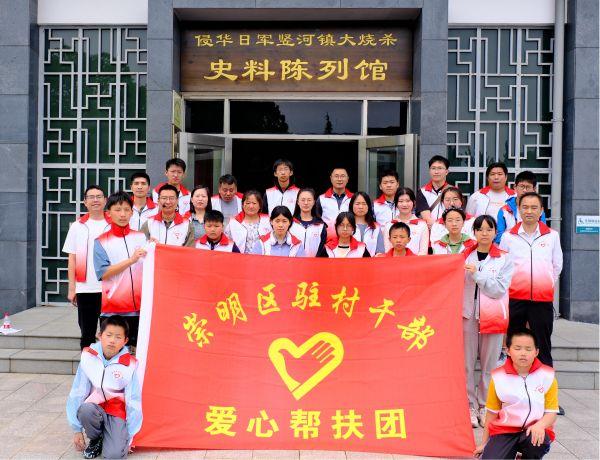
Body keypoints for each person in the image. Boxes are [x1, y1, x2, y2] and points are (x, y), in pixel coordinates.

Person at [499, 192, 563, 367]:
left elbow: (557, 265)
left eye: (534, 207)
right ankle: (513, 378)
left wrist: (546, 283)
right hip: (515, 298)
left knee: (542, 344)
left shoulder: (552, 236)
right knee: (514, 342)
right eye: (525, 207)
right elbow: (502, 266)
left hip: (542, 299)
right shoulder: (508, 237)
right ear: (519, 209)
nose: (529, 211)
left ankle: (545, 380)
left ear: (541, 210)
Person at [474, 328, 559, 459]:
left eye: (528, 349)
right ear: (508, 351)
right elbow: (491, 413)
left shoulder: (547, 376)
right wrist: (484, 444)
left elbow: (551, 412)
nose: (523, 353)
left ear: (536, 352)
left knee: (537, 442)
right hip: (504, 431)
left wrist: (540, 425)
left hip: (533, 430)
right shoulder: (498, 377)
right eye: (518, 348)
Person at [463, 215, 514, 428]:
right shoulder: (464, 255)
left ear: (495, 232)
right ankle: (469, 405)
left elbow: (499, 289)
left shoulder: (504, 258)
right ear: (474, 232)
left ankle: (485, 405)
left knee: (489, 366)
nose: (484, 233)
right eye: (480, 229)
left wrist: (478, 275)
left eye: (489, 229)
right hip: (467, 315)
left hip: (493, 316)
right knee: (466, 365)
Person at [66, 316, 142, 459]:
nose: (112, 340)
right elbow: (77, 392)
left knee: (114, 455)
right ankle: (96, 439)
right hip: (94, 408)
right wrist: (76, 429)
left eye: (118, 337)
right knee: (85, 410)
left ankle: (111, 436)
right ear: (100, 336)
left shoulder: (129, 365)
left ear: (125, 341)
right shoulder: (89, 357)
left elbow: (134, 400)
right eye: (109, 335)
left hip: (117, 412)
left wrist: (130, 437)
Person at [93, 192, 147, 351]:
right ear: (108, 213)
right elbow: (103, 273)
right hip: (113, 309)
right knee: (114, 353)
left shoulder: (141, 237)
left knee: (139, 354)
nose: (122, 214)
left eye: (126, 209)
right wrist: (131, 260)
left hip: (141, 308)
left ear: (132, 212)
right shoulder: (101, 241)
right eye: (117, 210)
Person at [62, 185, 111, 349]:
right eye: (91, 197)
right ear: (85, 202)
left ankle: (108, 362)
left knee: (110, 331)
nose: (95, 200)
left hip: (109, 287)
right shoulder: (77, 226)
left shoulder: (113, 224)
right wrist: (72, 288)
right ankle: (87, 362)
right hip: (85, 288)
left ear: (105, 200)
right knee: (87, 333)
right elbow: (72, 258)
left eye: (99, 196)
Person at [495, 171, 547, 243]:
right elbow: (499, 236)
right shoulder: (504, 210)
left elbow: (543, 233)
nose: (524, 190)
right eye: (522, 186)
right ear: (515, 187)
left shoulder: (539, 210)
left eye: (528, 187)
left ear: (534, 189)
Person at [384, 187, 429, 255]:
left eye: (408, 201)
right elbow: (388, 250)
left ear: (414, 202)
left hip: (416, 261)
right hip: (394, 261)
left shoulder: (422, 225)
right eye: (401, 201)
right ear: (396, 203)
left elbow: (423, 252)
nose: (404, 204)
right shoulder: (389, 225)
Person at [290, 188, 327, 257]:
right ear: (298, 202)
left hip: (313, 262)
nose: (306, 203)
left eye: (309, 200)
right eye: (303, 200)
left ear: (314, 202)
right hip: (293, 262)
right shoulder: (290, 223)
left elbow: (321, 250)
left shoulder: (321, 226)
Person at [415, 155, 451, 227]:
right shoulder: (422, 192)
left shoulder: (454, 191)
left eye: (440, 168)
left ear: (446, 172)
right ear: (429, 171)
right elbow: (427, 219)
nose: (436, 172)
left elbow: (456, 214)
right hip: (429, 231)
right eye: (433, 168)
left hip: (449, 231)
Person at [349, 192, 385, 256]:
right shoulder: (346, 226)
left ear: (368, 206)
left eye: (364, 204)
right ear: (351, 205)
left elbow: (380, 252)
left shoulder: (376, 227)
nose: (361, 207)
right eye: (357, 204)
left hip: (372, 261)